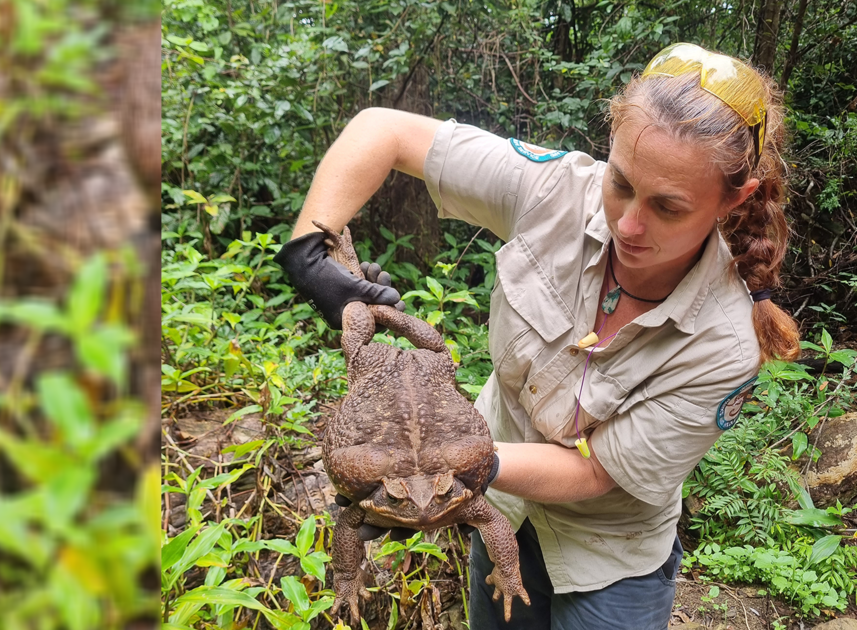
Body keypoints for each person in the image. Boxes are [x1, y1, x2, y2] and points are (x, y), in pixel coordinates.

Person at [274, 42, 800, 630]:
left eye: (669, 207)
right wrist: (310, 255)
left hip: (608, 551)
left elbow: (597, 473)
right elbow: (384, 132)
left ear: (735, 199)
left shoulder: (725, 343)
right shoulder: (556, 192)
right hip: (500, 512)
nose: (628, 222)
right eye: (621, 182)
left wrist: (445, 466)